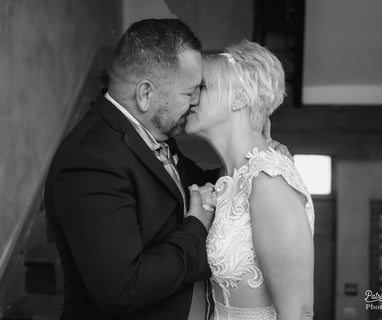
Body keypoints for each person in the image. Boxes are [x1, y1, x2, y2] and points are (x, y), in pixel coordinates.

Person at [44, 19, 218, 320]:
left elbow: (192, 183)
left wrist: (253, 162)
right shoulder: (90, 162)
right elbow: (124, 288)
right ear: (145, 94)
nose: (197, 102)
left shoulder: (151, 132)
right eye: (189, 93)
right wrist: (196, 228)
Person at [185, 40, 315, 319]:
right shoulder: (229, 177)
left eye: (202, 87)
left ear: (239, 98)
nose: (190, 97)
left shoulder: (269, 182)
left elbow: (299, 312)